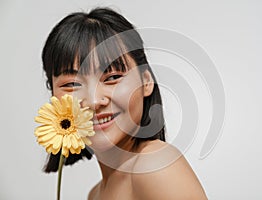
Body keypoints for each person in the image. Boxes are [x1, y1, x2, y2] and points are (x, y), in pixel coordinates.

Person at [41, 7, 207, 200]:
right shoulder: (95, 194)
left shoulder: (154, 164)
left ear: (146, 81)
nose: (94, 101)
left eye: (112, 77)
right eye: (72, 84)